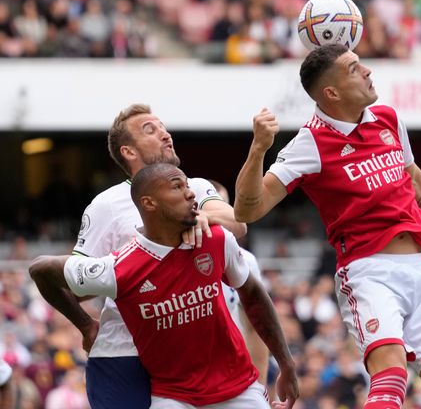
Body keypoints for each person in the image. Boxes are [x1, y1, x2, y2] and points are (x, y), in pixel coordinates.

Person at [234, 44, 421, 409]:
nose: (367, 71)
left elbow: (414, 178)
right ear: (331, 93)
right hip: (369, 270)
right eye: (354, 68)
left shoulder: (387, 118)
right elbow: (248, 209)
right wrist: (259, 149)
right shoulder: (311, 143)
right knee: (392, 373)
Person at [29, 163, 299, 408]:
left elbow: (252, 294)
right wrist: (86, 325)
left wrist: (286, 363)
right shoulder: (119, 268)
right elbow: (40, 268)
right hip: (172, 397)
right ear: (149, 203)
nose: (191, 193)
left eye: (188, 186)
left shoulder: (215, 239)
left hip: (237, 389)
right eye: (177, 187)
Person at [72, 104, 248, 409]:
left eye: (163, 126)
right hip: (125, 353)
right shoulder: (106, 205)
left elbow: (238, 224)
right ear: (128, 151)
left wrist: (198, 216)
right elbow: (76, 283)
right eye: (150, 130)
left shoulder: (196, 188)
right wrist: (86, 324)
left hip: (189, 354)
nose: (165, 134)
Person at [208, 179, 271, 390]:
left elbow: (257, 328)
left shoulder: (246, 260)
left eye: (225, 208)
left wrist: (260, 389)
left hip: (233, 376)